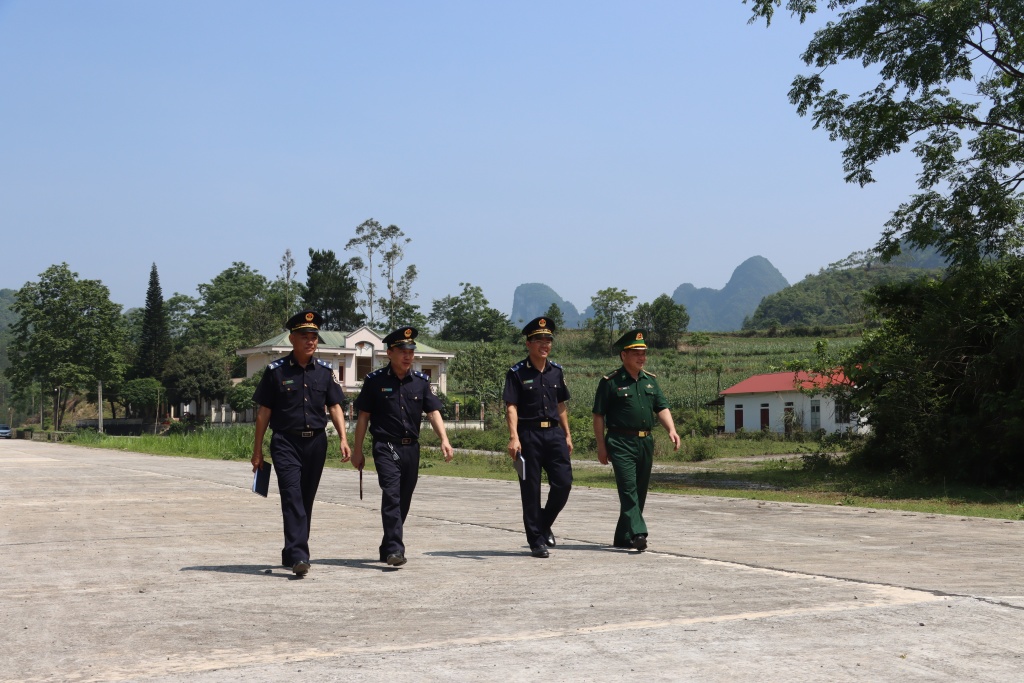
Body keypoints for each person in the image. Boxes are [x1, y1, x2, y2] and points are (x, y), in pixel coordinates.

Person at [251, 310, 351, 576]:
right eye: (304, 336)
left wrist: (343, 438)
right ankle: (299, 555)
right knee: (292, 496)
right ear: (292, 339)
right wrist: (257, 449)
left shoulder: (325, 373)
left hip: (316, 443)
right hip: (285, 442)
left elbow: (335, 407)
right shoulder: (276, 372)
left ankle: (291, 551)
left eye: (314, 337)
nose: (310, 341)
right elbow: (264, 413)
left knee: (305, 499)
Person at [351, 326, 454, 567]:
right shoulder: (374, 381)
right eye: (402, 351)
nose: (408, 356)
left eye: (411, 351)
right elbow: (363, 417)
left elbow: (433, 411)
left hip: (411, 448)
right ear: (390, 353)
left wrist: (444, 439)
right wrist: (358, 450)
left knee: (404, 499)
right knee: (392, 495)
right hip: (385, 446)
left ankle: (388, 543)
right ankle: (396, 549)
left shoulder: (420, 382)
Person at [592, 329, 680, 552]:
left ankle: (623, 536)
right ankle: (639, 533)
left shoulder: (650, 381)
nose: (642, 357)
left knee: (639, 490)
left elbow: (661, 407)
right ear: (624, 355)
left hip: (645, 442)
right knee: (628, 488)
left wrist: (671, 429)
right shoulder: (610, 382)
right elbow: (598, 415)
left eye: (643, 353)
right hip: (620, 442)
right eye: (636, 353)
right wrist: (601, 446)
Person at [502, 316, 573, 558]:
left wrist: (567, 434)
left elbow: (561, 404)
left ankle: (542, 524)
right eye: (540, 340)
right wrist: (514, 437)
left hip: (554, 434)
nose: (545, 344)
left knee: (563, 483)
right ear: (528, 343)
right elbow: (511, 406)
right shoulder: (517, 373)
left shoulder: (556, 372)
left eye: (548, 340)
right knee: (530, 489)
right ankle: (536, 541)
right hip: (528, 434)